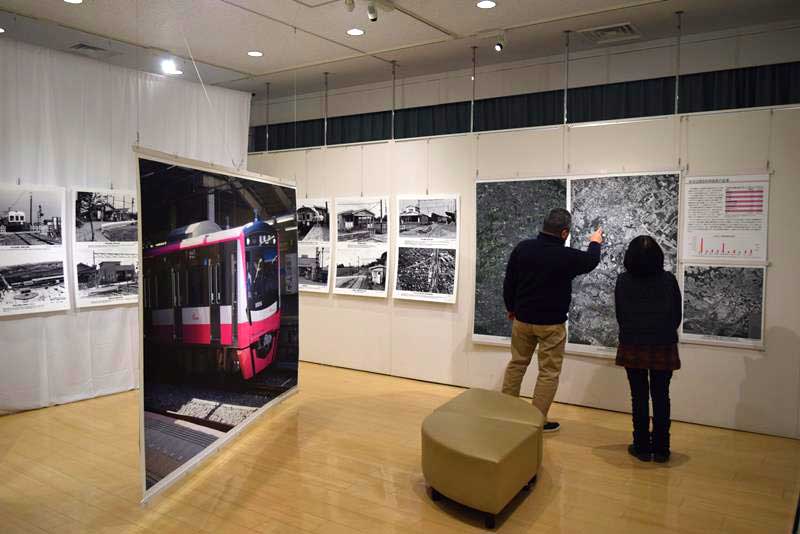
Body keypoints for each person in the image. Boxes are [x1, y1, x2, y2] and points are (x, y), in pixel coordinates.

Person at [502, 208, 603, 432]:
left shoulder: (523, 248)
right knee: (548, 373)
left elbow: (509, 282)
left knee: (517, 364)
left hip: (522, 319)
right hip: (551, 325)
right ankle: (536, 423)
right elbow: (591, 261)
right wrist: (595, 241)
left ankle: (505, 414)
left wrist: (511, 308)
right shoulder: (567, 257)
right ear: (564, 232)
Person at [614, 235, 682, 463]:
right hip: (663, 343)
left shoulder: (623, 281)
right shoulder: (668, 280)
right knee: (662, 396)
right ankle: (662, 449)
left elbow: (620, 315)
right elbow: (676, 316)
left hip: (633, 343)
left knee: (639, 396)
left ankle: (642, 446)